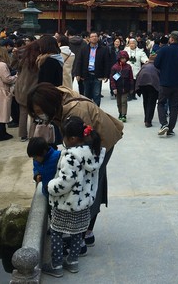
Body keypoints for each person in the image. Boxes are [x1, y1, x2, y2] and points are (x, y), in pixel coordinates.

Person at [27, 82, 123, 250]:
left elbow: (81, 149)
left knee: (90, 184)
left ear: (48, 104)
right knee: (87, 181)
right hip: (87, 142)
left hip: (100, 142)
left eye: (39, 111)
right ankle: (81, 231)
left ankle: (85, 233)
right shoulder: (58, 102)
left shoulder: (76, 112)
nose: (38, 115)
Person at [41, 116, 106, 277]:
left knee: (56, 231)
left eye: (64, 136)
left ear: (72, 138)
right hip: (83, 203)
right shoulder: (94, 152)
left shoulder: (71, 156)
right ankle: (73, 262)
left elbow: (65, 182)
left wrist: (50, 186)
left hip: (66, 203)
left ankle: (56, 265)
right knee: (77, 232)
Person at [154, 31, 178, 137]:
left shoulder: (164, 50)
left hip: (165, 81)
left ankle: (164, 123)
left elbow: (156, 64)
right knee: (174, 106)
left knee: (161, 103)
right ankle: (171, 128)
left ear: (172, 39)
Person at [14, 40, 41, 141]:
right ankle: (32, 134)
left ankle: (22, 134)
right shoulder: (38, 60)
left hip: (21, 88)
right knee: (34, 113)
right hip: (33, 89)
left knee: (23, 112)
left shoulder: (23, 59)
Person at [75, 31, 110, 106]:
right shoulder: (84, 49)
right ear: (89, 38)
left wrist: (106, 75)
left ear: (98, 38)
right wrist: (78, 74)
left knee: (97, 95)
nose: (94, 38)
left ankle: (97, 112)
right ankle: (87, 111)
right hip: (86, 74)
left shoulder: (104, 49)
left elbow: (107, 63)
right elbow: (79, 61)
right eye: (92, 36)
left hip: (97, 75)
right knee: (86, 95)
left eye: (95, 36)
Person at [0, 46, 17, 141]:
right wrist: (16, 76)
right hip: (3, 91)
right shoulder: (2, 65)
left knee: (2, 112)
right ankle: (1, 133)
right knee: (4, 112)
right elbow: (7, 79)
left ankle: (2, 131)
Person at [135, 52, 160, 127]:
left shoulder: (144, 66)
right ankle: (148, 121)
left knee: (145, 101)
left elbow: (138, 75)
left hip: (142, 84)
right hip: (153, 85)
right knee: (151, 103)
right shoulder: (157, 66)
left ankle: (146, 118)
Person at [109, 50, 133, 123]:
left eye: (125, 58)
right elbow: (112, 78)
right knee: (119, 102)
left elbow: (131, 78)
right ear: (119, 58)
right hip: (117, 87)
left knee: (124, 101)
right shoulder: (115, 67)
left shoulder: (128, 67)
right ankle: (120, 113)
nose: (123, 59)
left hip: (126, 87)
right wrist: (114, 88)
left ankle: (123, 114)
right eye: (122, 58)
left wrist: (132, 88)